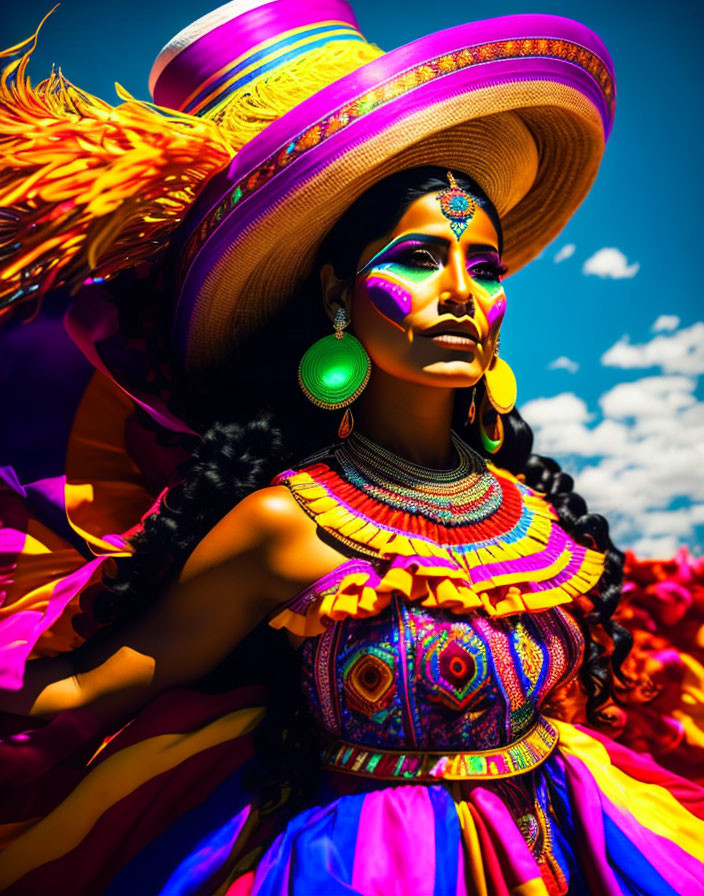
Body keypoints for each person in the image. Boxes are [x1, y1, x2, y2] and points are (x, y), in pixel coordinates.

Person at [0, 2, 703, 894]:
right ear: (338, 297)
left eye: (483, 267)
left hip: (576, 846)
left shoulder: (532, 520)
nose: (460, 293)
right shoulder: (283, 524)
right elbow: (93, 687)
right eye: (418, 258)